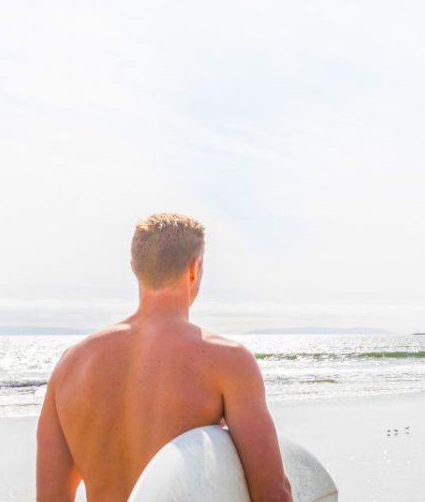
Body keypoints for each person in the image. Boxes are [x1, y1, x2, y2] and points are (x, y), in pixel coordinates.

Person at [36, 213, 292, 502]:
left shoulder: (70, 365)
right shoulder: (228, 362)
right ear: (194, 269)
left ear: (134, 267)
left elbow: (50, 498)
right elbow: (272, 494)